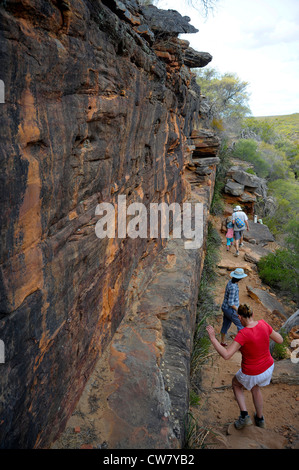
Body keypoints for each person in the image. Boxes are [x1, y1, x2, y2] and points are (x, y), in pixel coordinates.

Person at [206, 304, 283, 430]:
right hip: (268, 368)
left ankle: (244, 416)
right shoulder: (263, 324)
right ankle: (260, 419)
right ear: (252, 314)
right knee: (255, 388)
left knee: (236, 384)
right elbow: (280, 340)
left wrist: (213, 338)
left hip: (252, 372)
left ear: (240, 317)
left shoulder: (243, 334)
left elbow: (226, 355)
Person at [220, 268, 247, 347]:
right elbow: (230, 302)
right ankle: (240, 345)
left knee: (226, 324)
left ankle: (222, 341)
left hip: (225, 308)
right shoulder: (233, 287)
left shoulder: (230, 282)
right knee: (241, 326)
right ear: (240, 278)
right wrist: (238, 310)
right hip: (230, 309)